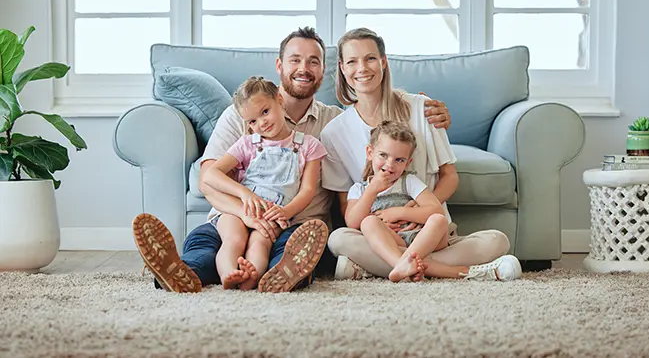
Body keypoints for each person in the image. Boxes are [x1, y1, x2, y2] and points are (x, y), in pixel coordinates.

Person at [132, 26, 452, 294]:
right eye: (295, 59)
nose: (304, 68)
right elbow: (208, 179)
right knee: (206, 246)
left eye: (313, 61)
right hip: (235, 217)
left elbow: (378, 124)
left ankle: (276, 276)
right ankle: (180, 272)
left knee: (294, 257)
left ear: (324, 70)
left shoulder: (334, 123)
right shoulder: (243, 115)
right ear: (279, 65)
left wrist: (420, 107)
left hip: (296, 227)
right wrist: (248, 212)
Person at [321, 27, 522, 282]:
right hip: (380, 234)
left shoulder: (422, 108)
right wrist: (381, 219)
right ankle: (452, 271)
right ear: (341, 68)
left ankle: (377, 267)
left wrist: (415, 210)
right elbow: (347, 211)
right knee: (339, 239)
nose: (362, 68)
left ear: (383, 62)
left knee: (497, 241)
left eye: (370, 58)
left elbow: (449, 176)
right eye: (352, 61)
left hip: (430, 230)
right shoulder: (333, 133)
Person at [202, 76, 327, 290]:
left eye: (265, 112)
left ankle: (252, 277)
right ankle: (228, 274)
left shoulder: (308, 145)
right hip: (239, 210)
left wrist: (286, 213)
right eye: (252, 121)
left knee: (260, 243)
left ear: (280, 100)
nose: (262, 123)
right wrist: (244, 194)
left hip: (272, 213)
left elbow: (307, 191)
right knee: (234, 240)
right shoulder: (246, 144)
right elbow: (211, 175)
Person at [347, 120, 449, 282]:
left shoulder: (408, 181)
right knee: (367, 223)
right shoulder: (359, 189)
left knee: (439, 220)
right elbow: (352, 223)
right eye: (383, 155)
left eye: (399, 160)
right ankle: (402, 265)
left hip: (422, 239)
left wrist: (399, 212)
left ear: (408, 163)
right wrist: (372, 190)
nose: (390, 165)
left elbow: (435, 210)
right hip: (393, 241)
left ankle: (401, 264)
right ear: (370, 153)